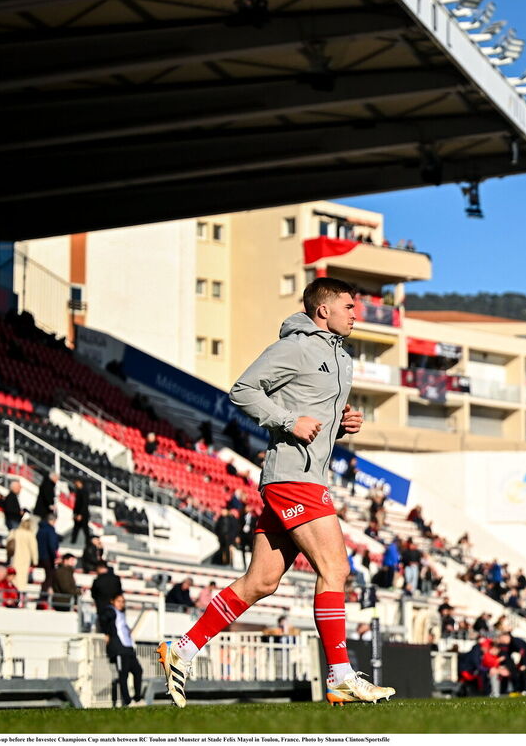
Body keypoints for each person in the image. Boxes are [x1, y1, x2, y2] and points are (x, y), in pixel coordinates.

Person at [158, 278, 395, 707]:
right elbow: (242, 390)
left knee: (261, 581)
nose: (355, 313)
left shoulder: (340, 356)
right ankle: (340, 675)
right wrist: (288, 421)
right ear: (323, 310)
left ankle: (183, 648)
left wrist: (339, 424)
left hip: (306, 476)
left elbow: (313, 414)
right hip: (292, 479)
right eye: (348, 306)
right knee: (336, 568)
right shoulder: (296, 346)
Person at [99, 594, 144, 707]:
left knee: (138, 671)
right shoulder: (110, 611)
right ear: (112, 601)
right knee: (123, 675)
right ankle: (128, 702)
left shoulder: (122, 613)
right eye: (118, 601)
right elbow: (103, 620)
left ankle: (137, 698)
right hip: (119, 648)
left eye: (123, 601)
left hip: (128, 647)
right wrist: (107, 633)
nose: (121, 603)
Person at [8, 514, 40, 601]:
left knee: (13, 578)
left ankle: (12, 596)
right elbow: (34, 549)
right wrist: (35, 562)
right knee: (22, 580)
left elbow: (9, 544)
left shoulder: (15, 532)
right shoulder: (30, 535)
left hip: (14, 558)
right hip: (25, 559)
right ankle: (20, 599)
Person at [37, 513, 60, 605]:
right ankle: (44, 595)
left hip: (40, 556)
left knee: (48, 576)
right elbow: (51, 544)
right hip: (48, 556)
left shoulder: (40, 529)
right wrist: (54, 556)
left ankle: (44, 594)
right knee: (50, 576)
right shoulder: (50, 530)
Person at [69, 478, 91, 545]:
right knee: (76, 528)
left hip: (83, 514)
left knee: (85, 529)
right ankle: (73, 541)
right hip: (78, 513)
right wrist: (75, 513)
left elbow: (84, 504)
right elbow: (77, 504)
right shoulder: (78, 491)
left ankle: (88, 543)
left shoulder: (84, 491)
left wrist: (80, 514)